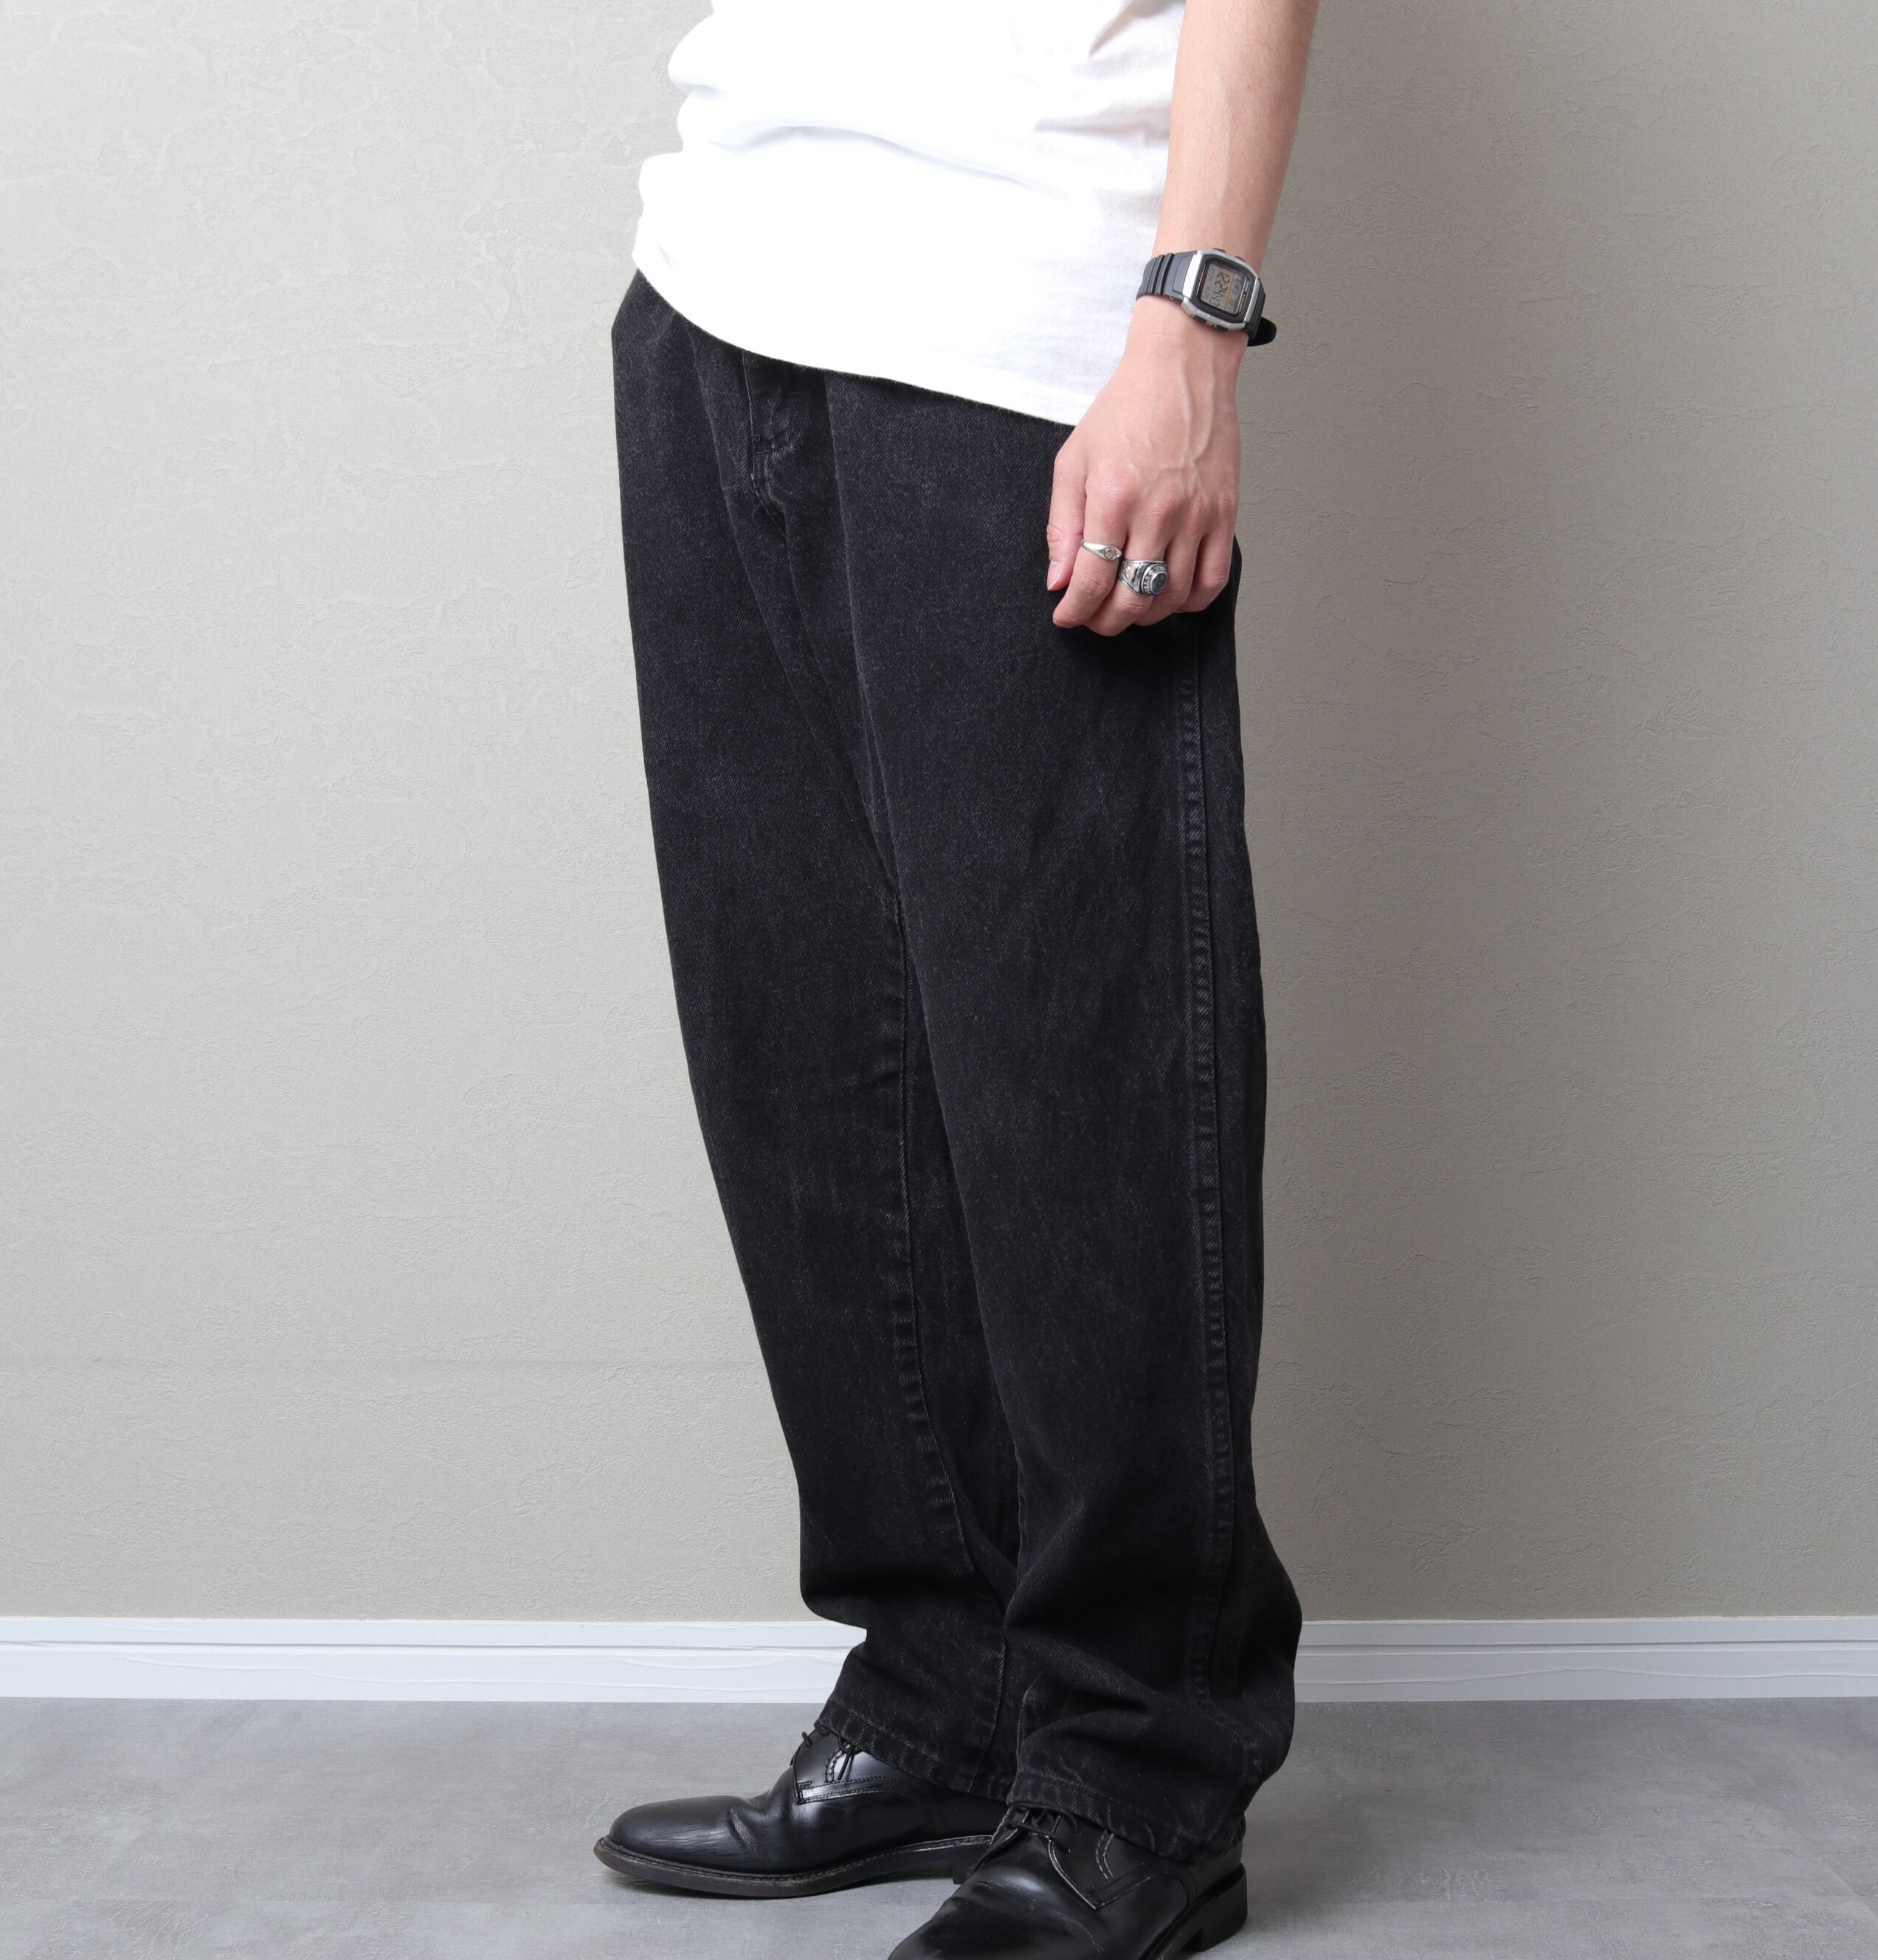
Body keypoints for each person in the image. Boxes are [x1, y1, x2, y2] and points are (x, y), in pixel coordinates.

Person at [600, 1, 1319, 1953]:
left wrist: (1192, 330)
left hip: (1026, 335)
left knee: (1079, 1077)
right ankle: (940, 1698)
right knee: (808, 1066)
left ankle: (1136, 1775)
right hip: (724, 284)